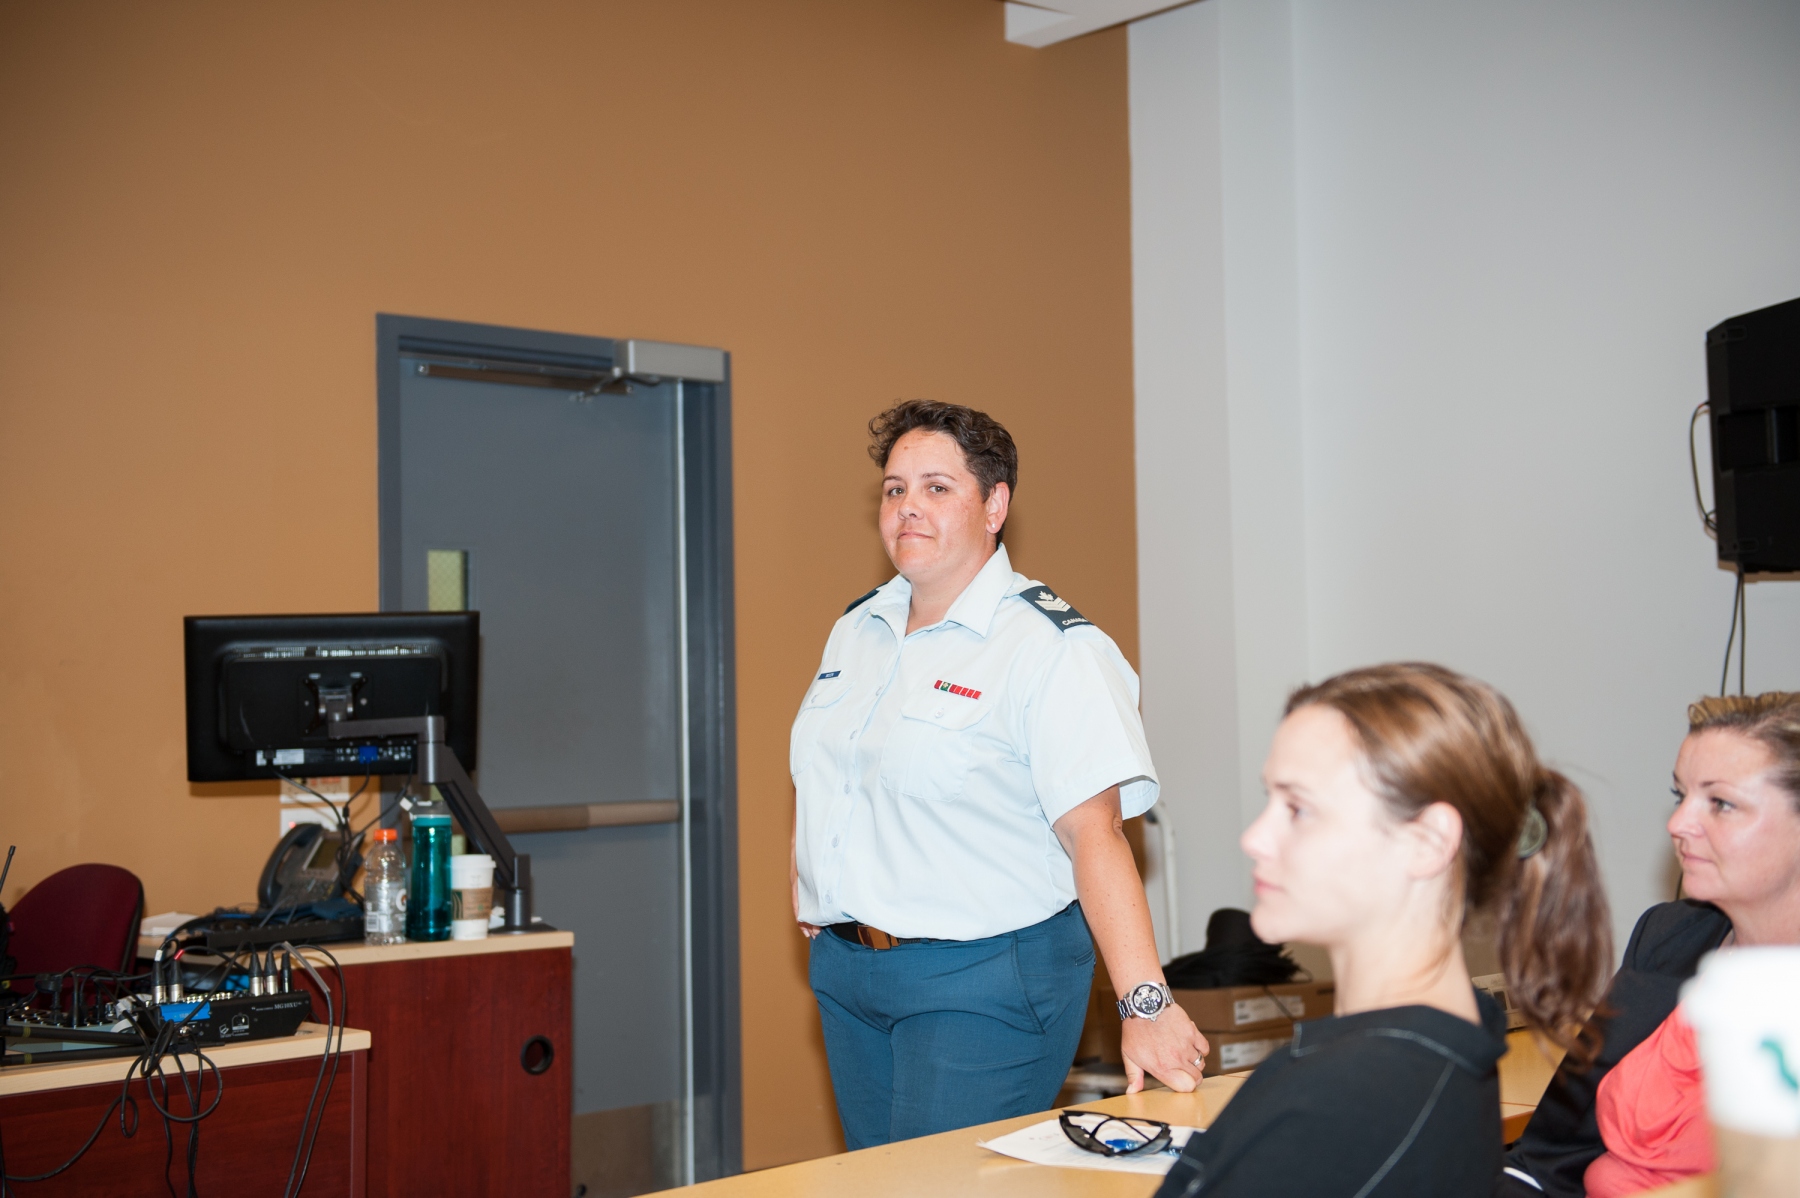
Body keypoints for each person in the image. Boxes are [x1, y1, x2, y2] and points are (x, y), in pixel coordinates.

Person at [790, 399, 1209, 1149]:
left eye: (936, 487)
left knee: (938, 1190)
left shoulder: (1051, 648)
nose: (908, 506)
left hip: (982, 977)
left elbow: (1097, 834)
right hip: (851, 973)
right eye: (894, 489)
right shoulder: (858, 629)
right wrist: (820, 883)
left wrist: (1145, 1004)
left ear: (994, 506)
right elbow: (832, 768)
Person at [1157, 663, 1613, 1198]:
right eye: (1269, 800)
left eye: (1298, 808)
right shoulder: (1456, 1038)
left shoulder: (1339, 1105)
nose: (1254, 837)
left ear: (1426, 842)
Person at [1503, 692, 1800, 1197]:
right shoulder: (1669, 938)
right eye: (1680, 795)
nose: (1677, 823)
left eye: (1720, 803)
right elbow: (1547, 1157)